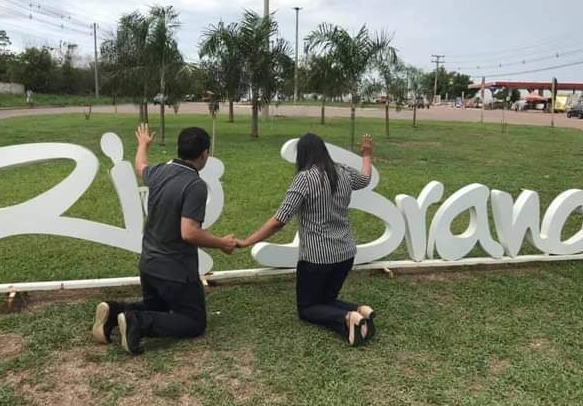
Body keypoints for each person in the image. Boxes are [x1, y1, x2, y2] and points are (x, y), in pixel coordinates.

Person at [92, 124, 237, 354]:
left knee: (156, 306)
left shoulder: (160, 171)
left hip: (149, 265)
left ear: (179, 149)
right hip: (176, 272)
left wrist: (143, 144)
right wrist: (222, 243)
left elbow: (140, 167)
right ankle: (137, 324)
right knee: (194, 321)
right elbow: (188, 232)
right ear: (205, 154)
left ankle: (114, 311)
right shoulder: (195, 185)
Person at [237, 133, 376, 346]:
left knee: (307, 308)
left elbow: (279, 220)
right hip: (345, 254)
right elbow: (366, 179)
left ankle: (346, 318)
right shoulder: (344, 172)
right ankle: (359, 311)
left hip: (317, 259)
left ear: (302, 155)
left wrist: (248, 241)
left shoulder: (305, 178)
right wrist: (366, 154)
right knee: (326, 300)